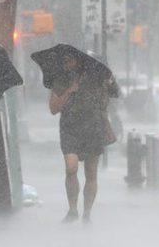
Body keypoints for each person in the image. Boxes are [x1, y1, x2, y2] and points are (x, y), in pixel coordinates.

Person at [49, 54, 112, 223]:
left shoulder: (96, 80)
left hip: (93, 129)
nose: (67, 63)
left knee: (91, 173)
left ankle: (87, 213)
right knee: (71, 169)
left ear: (78, 62)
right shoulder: (61, 81)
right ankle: (73, 209)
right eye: (65, 60)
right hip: (70, 129)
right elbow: (53, 108)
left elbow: (104, 105)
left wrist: (105, 123)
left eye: (70, 60)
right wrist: (70, 90)